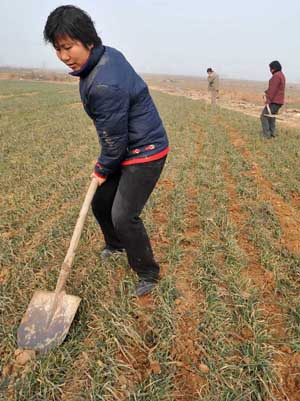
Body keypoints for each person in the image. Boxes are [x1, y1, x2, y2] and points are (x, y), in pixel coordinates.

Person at [44, 5, 169, 296]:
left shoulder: (104, 84)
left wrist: (102, 167)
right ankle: (115, 244)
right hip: (126, 145)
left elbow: (115, 140)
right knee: (101, 202)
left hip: (145, 151)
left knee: (124, 215)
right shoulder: (103, 55)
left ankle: (147, 271)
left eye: (69, 47)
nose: (64, 56)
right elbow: (114, 138)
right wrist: (107, 164)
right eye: (58, 48)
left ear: (88, 41)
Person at [260, 61, 286, 139]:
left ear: (273, 68)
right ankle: (272, 134)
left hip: (274, 101)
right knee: (271, 117)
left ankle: (267, 135)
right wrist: (266, 92)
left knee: (264, 116)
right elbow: (275, 88)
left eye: (270, 68)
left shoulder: (276, 76)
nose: (270, 70)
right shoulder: (281, 75)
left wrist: (268, 100)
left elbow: (272, 90)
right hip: (279, 101)